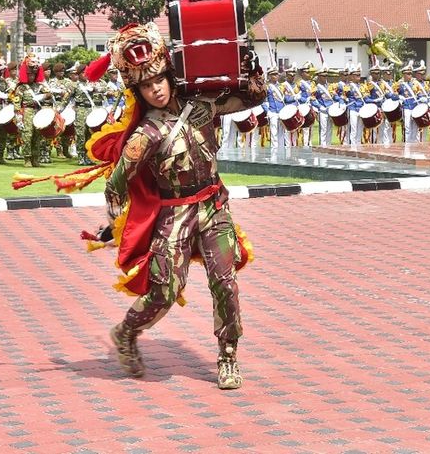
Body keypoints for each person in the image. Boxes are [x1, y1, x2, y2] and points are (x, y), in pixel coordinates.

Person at [28, 22, 264, 389]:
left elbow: (252, 98)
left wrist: (249, 65)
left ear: (169, 75)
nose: (155, 89)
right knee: (165, 290)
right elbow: (117, 183)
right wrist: (115, 222)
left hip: (214, 206)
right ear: (137, 89)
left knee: (226, 282)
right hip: (176, 213)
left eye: (158, 80)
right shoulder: (145, 135)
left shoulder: (202, 107)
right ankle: (126, 332)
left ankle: (228, 354)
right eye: (145, 85)